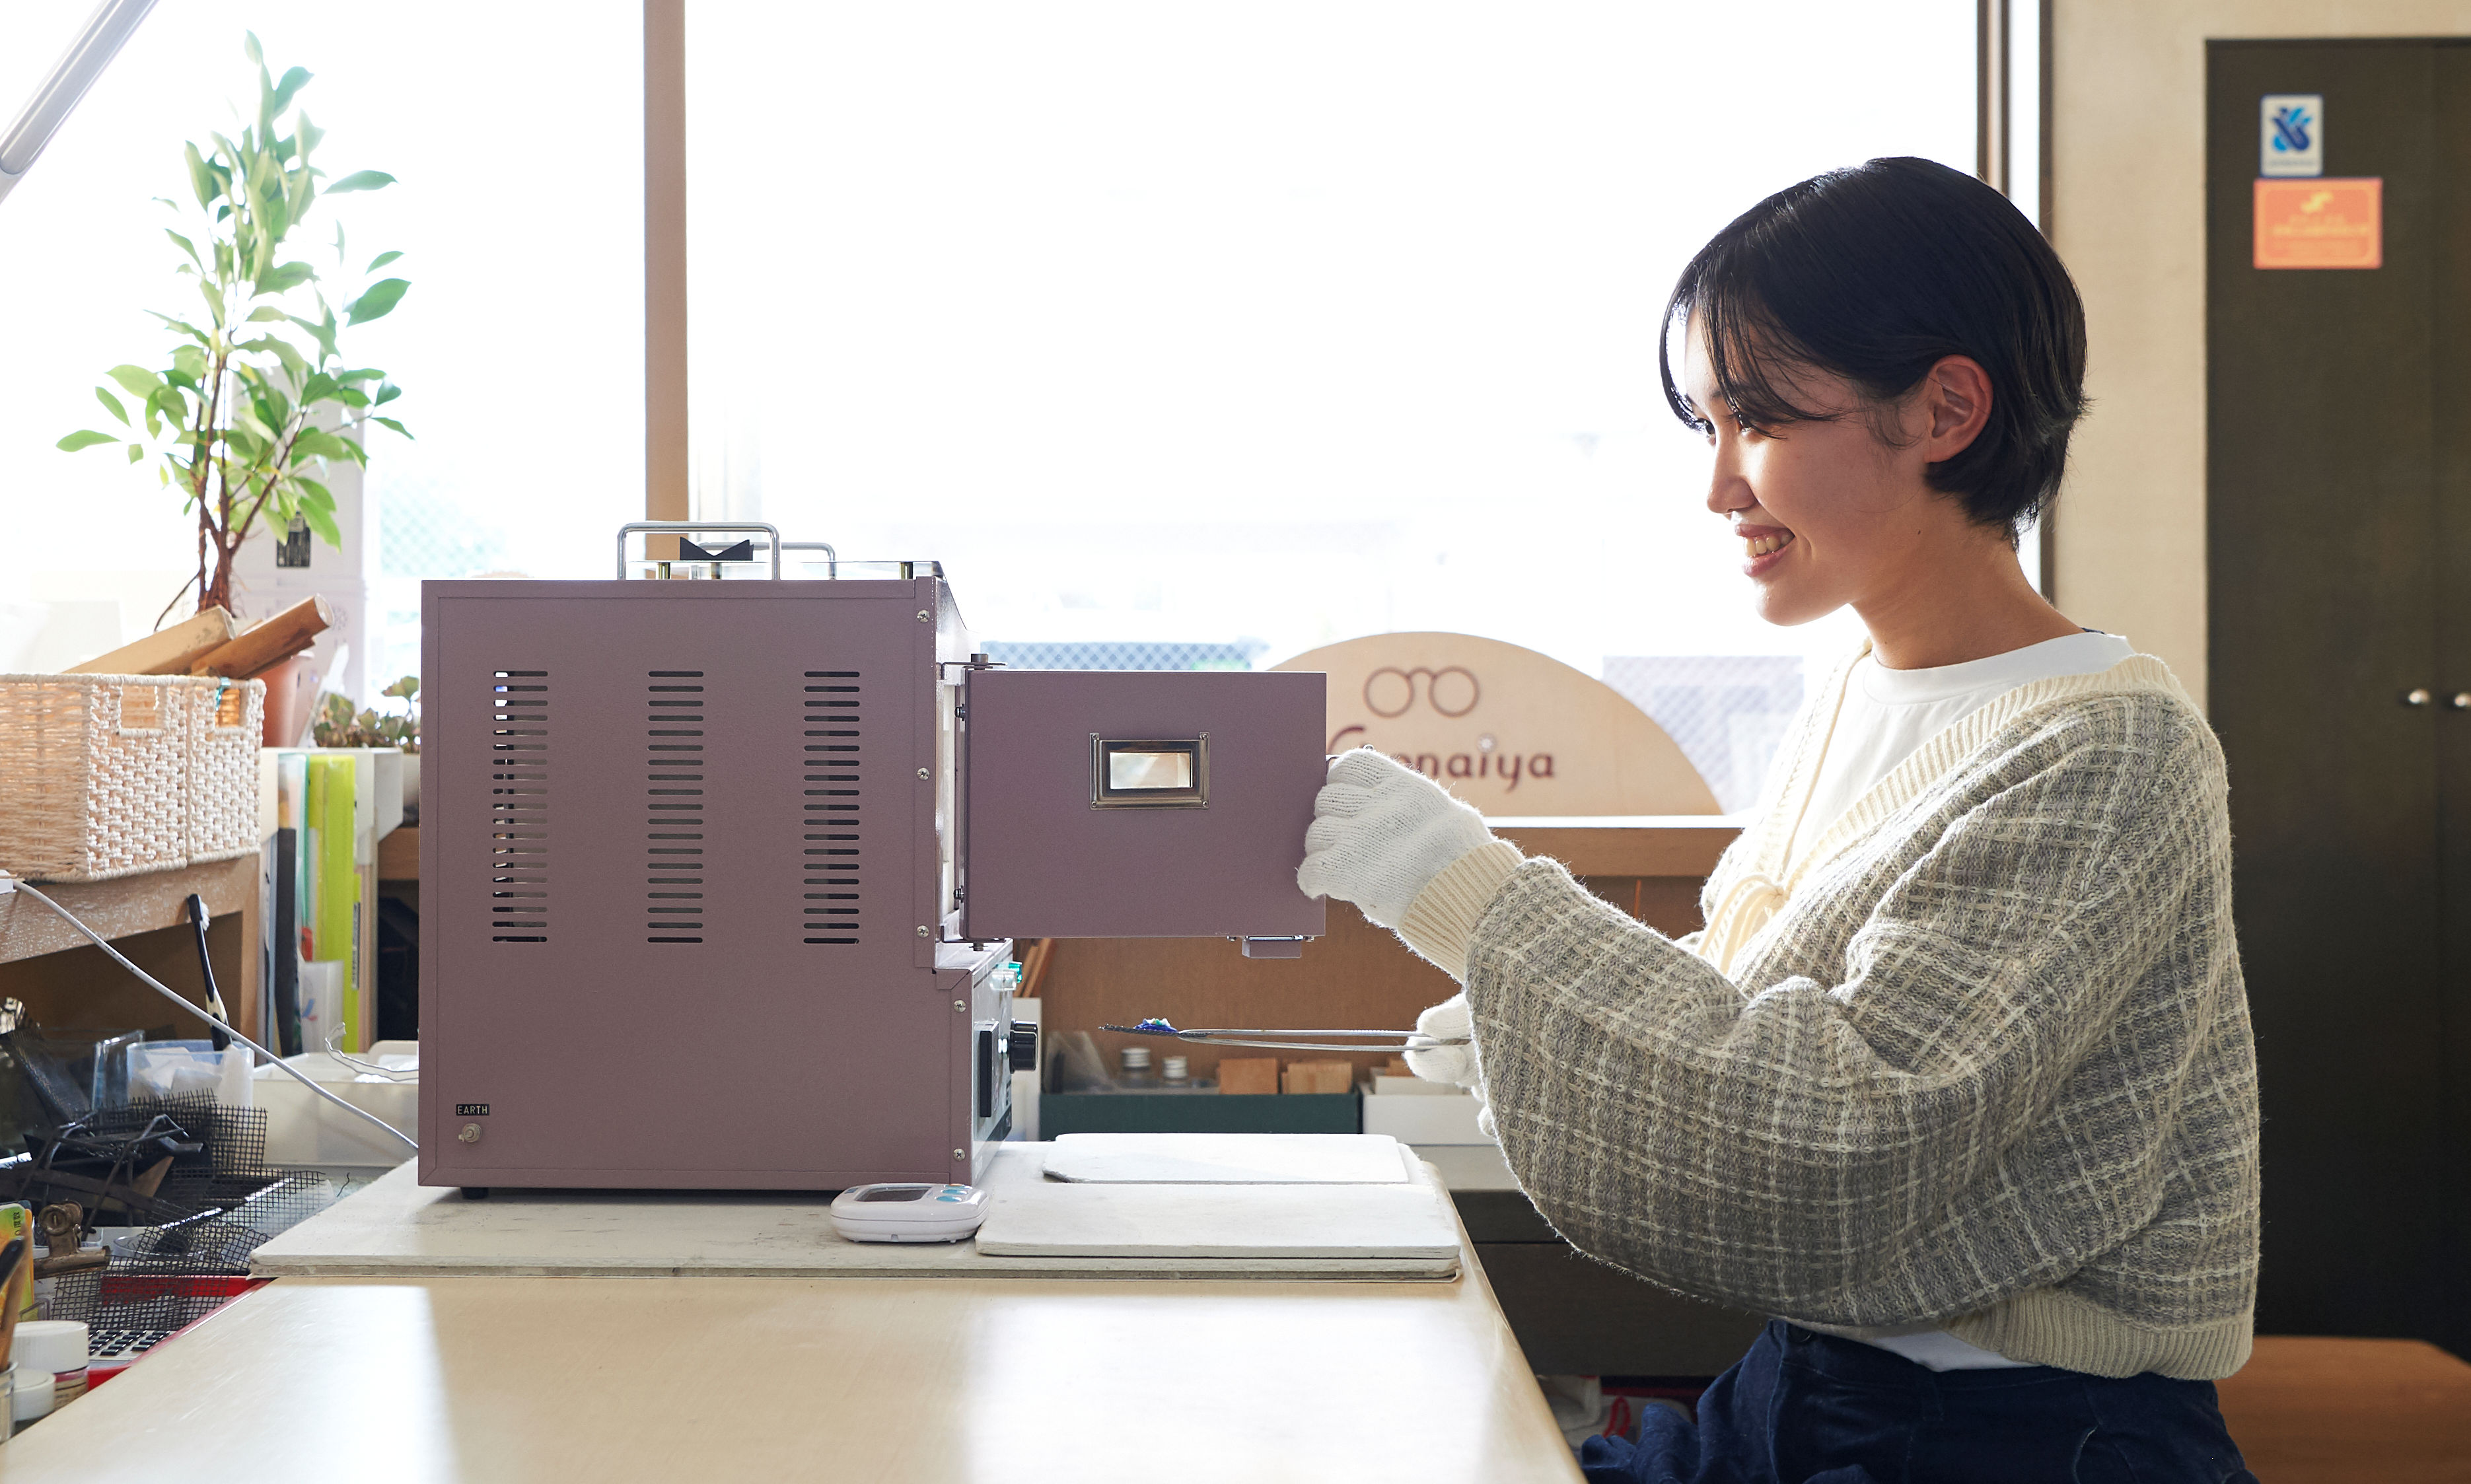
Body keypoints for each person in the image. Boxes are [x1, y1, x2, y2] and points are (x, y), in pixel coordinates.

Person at [1297, 157, 2260, 1484]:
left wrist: (1465, 894)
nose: (1717, 488)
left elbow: (1840, 1145)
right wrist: (1545, 1028)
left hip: (2019, 1434)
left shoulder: (2101, 748)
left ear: (1943, 408)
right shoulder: (1858, 689)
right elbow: (1761, 1008)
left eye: (1754, 420)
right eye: (1705, 426)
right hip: (1808, 1387)